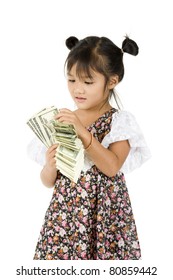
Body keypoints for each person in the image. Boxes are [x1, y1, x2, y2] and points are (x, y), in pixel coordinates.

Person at [28, 35, 151, 260]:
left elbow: (112, 166)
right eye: (71, 80)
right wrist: (49, 166)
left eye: (88, 82)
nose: (78, 90)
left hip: (104, 216)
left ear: (112, 81)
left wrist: (84, 133)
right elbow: (49, 182)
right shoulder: (62, 120)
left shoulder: (118, 122)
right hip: (65, 217)